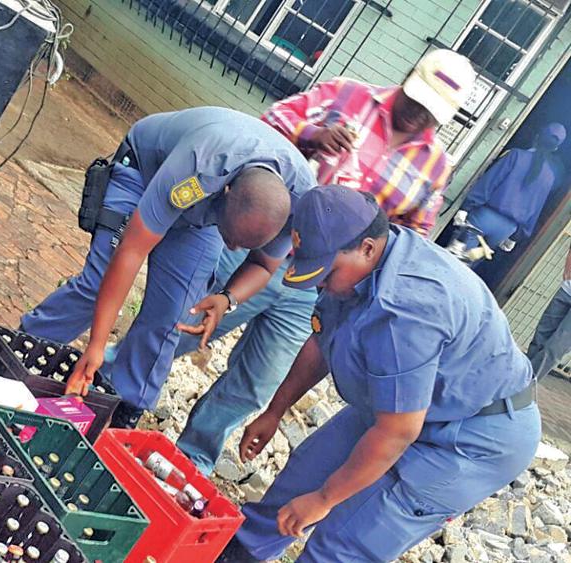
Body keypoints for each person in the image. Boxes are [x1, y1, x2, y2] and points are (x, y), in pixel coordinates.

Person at [172, 49, 475, 474]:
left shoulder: (435, 166)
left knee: (257, 381)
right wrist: (311, 135)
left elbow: (413, 234)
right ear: (408, 78)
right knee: (184, 329)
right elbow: (265, 128)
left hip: (320, 288)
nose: (417, 115)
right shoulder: (346, 96)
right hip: (264, 247)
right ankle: (111, 383)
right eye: (416, 101)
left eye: (430, 113)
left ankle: (190, 459)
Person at [217, 185, 540, 562]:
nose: (319, 283)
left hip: (474, 435)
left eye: (327, 272)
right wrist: (275, 411)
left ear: (368, 248)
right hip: (409, 404)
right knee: (302, 479)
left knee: (345, 542)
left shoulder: (406, 310)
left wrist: (325, 499)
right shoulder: (358, 258)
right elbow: (322, 340)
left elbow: (398, 431)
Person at [19, 107, 315, 427]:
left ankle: (122, 408)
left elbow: (264, 264)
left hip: (204, 218)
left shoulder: (298, 206)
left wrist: (227, 298)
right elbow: (131, 251)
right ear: (225, 193)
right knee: (98, 285)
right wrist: (97, 344)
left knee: (174, 314)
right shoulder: (202, 164)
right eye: (230, 239)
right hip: (145, 173)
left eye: (241, 244)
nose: (231, 249)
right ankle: (22, 352)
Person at [456, 122, 566, 257]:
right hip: (507, 229)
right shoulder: (550, 177)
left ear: (537, 136)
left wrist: (466, 207)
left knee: (456, 257)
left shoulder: (515, 155)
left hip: (483, 218)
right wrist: (516, 237)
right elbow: (535, 209)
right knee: (470, 264)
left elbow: (489, 183)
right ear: (555, 148)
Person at [527, 243, 571, 379]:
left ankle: (525, 382)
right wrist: (568, 266)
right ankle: (520, 376)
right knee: (540, 337)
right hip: (567, 290)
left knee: (556, 347)